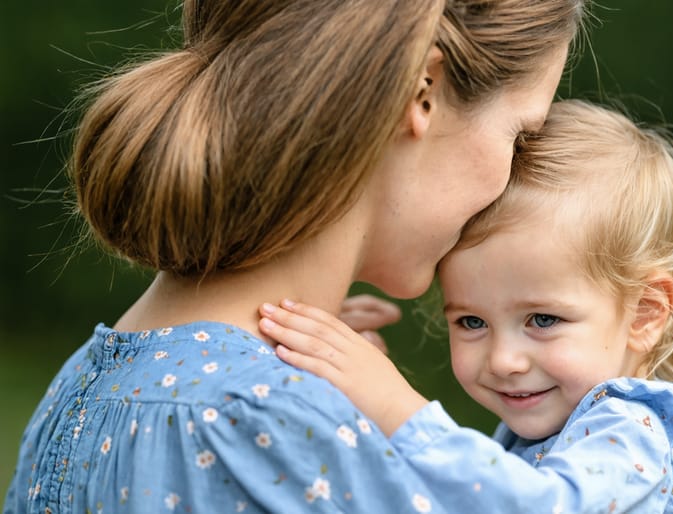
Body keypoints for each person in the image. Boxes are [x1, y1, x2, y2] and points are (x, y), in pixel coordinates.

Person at [3, 1, 585, 513]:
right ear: (423, 92)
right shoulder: (261, 421)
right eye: (519, 136)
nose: (510, 181)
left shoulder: (84, 384)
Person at [258, 99, 673, 512]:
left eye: (542, 319)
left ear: (644, 313)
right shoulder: (559, 431)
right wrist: (352, 387)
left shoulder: (633, 429)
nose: (503, 361)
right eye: (472, 321)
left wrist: (395, 407)